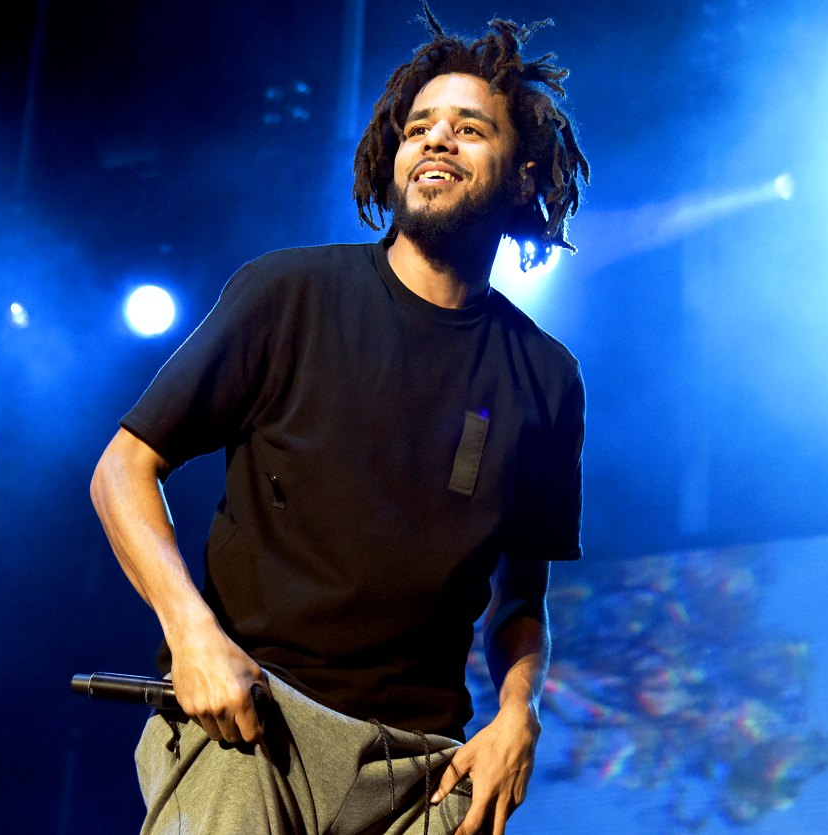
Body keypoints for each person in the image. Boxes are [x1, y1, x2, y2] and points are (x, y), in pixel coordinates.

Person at [91, 4, 590, 833]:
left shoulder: (546, 375)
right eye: (419, 126)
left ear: (525, 175)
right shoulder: (289, 295)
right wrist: (192, 635)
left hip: (425, 770)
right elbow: (123, 467)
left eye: (469, 129)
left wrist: (519, 712)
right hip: (251, 729)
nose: (436, 140)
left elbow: (520, 597)